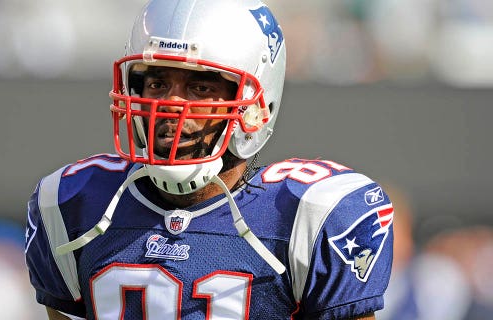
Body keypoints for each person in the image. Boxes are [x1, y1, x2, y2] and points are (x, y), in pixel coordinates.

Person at [24, 0, 394, 319]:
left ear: (256, 104)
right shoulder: (74, 204)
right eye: (156, 84)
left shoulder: (308, 216)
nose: (170, 106)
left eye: (200, 87)